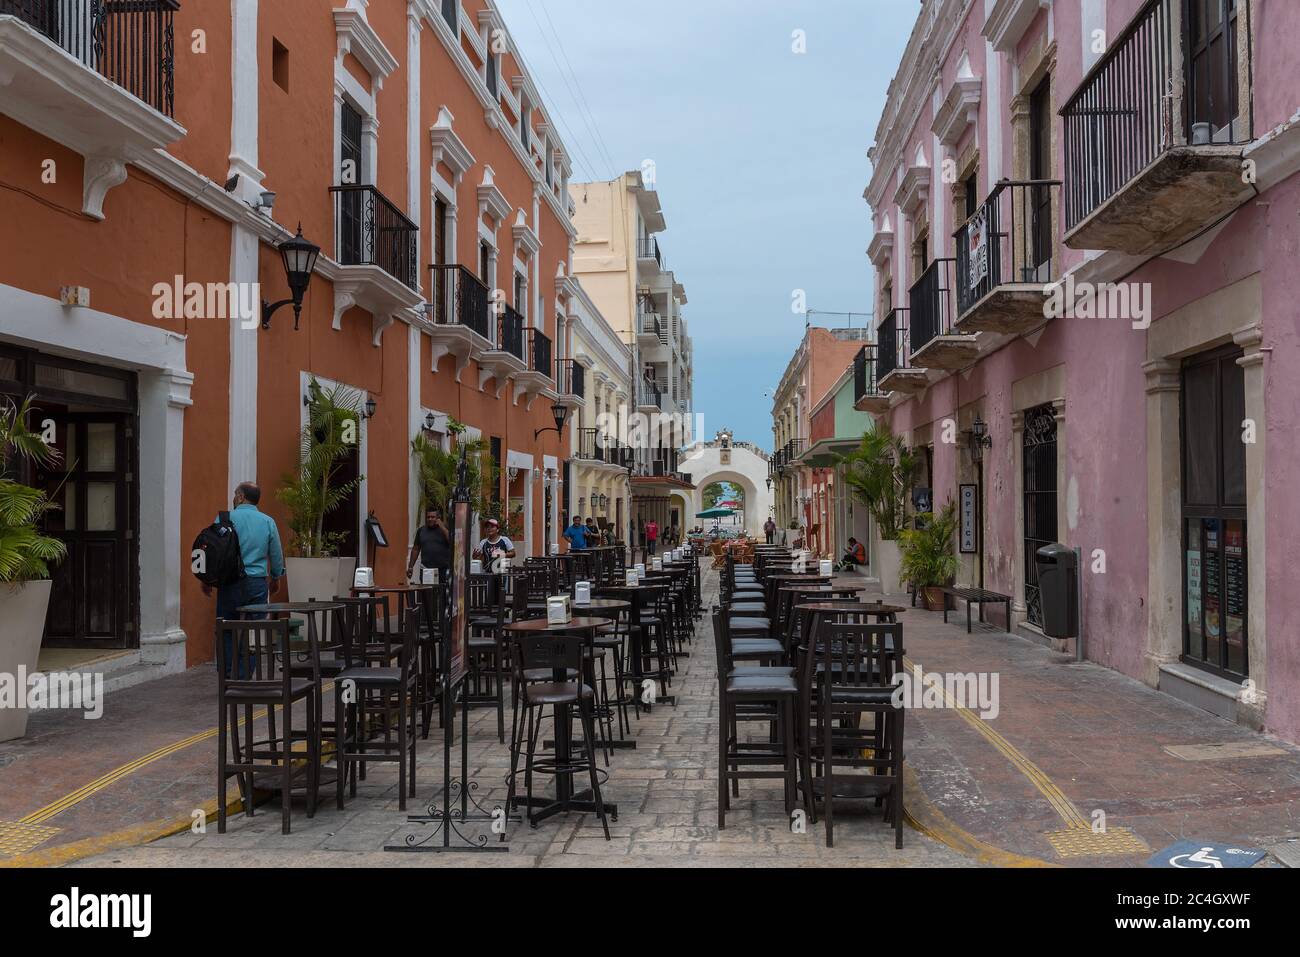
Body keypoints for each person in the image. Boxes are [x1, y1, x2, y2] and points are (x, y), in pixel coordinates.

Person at [203, 482, 285, 678]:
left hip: (229, 582)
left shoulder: (225, 518)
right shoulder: (267, 522)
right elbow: (276, 554)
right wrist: (276, 577)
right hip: (256, 583)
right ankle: (245, 674)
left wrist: (206, 579)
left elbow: (213, 550)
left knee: (227, 628)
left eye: (234, 494)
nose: (233, 498)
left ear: (240, 497)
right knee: (255, 630)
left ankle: (229, 674)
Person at [407, 506, 451, 583]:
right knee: (426, 593)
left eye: (433, 517)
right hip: (426, 569)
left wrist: (443, 527)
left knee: (442, 594)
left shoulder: (445, 528)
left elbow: (452, 542)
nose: (430, 519)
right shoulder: (421, 531)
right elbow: (416, 549)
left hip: (442, 569)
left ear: (438, 518)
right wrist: (411, 567)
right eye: (428, 517)